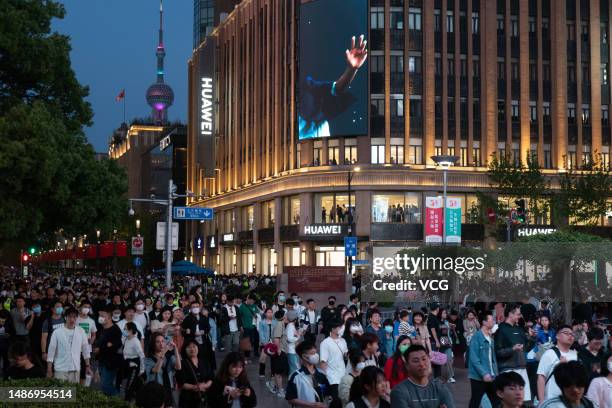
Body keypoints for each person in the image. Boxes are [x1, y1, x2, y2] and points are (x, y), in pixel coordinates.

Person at [390, 345, 455, 408]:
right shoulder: (399, 392)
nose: (421, 364)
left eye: (424, 359)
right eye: (416, 361)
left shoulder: (440, 388)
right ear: (407, 366)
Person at [495, 303, 536, 403]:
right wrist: (512, 349)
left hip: (522, 369)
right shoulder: (501, 330)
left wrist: (532, 338)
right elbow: (498, 353)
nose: (520, 316)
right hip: (508, 371)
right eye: (518, 314)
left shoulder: (519, 329)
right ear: (510, 314)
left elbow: (526, 349)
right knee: (511, 403)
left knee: (526, 403)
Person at [46, 307, 92, 383]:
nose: (72, 319)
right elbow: (51, 350)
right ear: (65, 317)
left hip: (75, 367)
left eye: (74, 317)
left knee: (73, 392)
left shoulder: (81, 331)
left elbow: (85, 349)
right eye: (70, 317)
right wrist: (49, 368)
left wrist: (88, 366)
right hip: (60, 368)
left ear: (77, 318)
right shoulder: (57, 332)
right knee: (61, 393)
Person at [536, 324, 578, 403]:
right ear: (557, 336)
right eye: (566, 333)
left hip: (571, 401)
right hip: (552, 400)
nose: (570, 336)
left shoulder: (575, 354)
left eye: (572, 334)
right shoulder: (549, 353)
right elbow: (541, 377)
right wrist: (541, 401)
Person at [286, 341, 331, 408]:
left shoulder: (321, 374)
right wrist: (312, 405)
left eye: (316, 353)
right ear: (304, 356)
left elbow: (327, 393)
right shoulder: (295, 376)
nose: (316, 355)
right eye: (312, 353)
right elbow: (291, 399)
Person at [468, 311, 499, 408]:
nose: (493, 322)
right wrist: (484, 373)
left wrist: (495, 373)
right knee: (475, 401)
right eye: (491, 320)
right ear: (484, 322)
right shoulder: (476, 337)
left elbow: (492, 358)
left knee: (496, 401)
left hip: (491, 375)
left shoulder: (490, 338)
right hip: (478, 377)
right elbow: (474, 358)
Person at [144, 333, 182, 408]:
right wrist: (163, 352)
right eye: (157, 342)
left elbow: (178, 367)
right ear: (153, 344)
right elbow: (156, 370)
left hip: (168, 389)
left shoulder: (169, 357)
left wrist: (175, 350)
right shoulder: (148, 359)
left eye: (162, 341)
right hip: (155, 390)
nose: (161, 344)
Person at [94, 306, 123, 396]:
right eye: (100, 315)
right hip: (102, 361)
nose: (100, 318)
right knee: (103, 385)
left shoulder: (115, 330)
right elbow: (104, 344)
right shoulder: (102, 329)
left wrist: (101, 349)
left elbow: (115, 347)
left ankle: (117, 400)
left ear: (110, 317)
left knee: (105, 385)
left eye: (103, 315)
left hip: (111, 362)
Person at [176, 340, 214, 408]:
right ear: (185, 350)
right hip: (188, 400)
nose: (192, 349)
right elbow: (181, 383)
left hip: (204, 397)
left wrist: (205, 386)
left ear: (198, 348)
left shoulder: (204, 361)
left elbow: (211, 377)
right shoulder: (182, 363)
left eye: (194, 346)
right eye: (189, 347)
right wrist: (196, 387)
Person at [320, 318, 348, 408]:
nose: (342, 328)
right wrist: (328, 377)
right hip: (333, 377)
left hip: (343, 375)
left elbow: (345, 355)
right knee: (336, 401)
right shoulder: (325, 343)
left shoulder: (343, 341)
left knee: (344, 400)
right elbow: (323, 362)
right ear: (332, 329)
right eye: (339, 327)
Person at [123, 321, 145, 402]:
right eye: (124, 329)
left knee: (129, 387)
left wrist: (142, 369)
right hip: (127, 364)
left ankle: (126, 403)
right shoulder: (127, 339)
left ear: (131, 330)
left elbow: (142, 355)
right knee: (131, 386)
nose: (124, 331)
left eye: (125, 329)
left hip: (134, 366)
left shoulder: (136, 341)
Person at [76, 300, 96, 385]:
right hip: (75, 349)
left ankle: (82, 389)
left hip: (87, 349)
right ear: (80, 307)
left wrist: (92, 340)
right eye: (85, 307)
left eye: (88, 307)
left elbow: (94, 334)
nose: (86, 309)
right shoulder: (76, 318)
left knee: (84, 371)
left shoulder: (91, 321)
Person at [239, 294, 260, 360]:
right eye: (251, 301)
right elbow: (238, 317)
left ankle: (256, 352)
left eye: (253, 301)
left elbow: (257, 314)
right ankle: (246, 356)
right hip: (246, 326)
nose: (252, 303)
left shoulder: (254, 306)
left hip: (254, 326)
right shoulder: (242, 306)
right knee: (247, 341)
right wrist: (240, 326)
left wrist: (256, 316)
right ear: (248, 299)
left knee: (256, 339)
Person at [438, 308, 456, 383]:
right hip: (440, 341)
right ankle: (439, 377)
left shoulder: (446, 322)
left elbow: (448, 333)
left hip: (447, 341)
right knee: (440, 360)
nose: (446, 314)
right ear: (440, 314)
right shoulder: (437, 321)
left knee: (449, 359)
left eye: (446, 313)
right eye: (444, 313)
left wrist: (451, 327)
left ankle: (450, 376)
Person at [258, 307, 276, 378]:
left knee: (273, 359)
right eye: (268, 312)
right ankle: (261, 372)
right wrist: (264, 342)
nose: (270, 314)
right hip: (264, 342)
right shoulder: (262, 322)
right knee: (263, 358)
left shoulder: (275, 322)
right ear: (265, 314)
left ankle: (273, 373)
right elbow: (261, 333)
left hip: (273, 342)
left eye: (271, 312)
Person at [286, 309, 303, 375]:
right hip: (292, 350)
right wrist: (298, 336)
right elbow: (290, 339)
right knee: (296, 369)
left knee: (293, 369)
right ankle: (294, 383)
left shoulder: (291, 326)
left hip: (293, 350)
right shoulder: (290, 326)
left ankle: (292, 383)